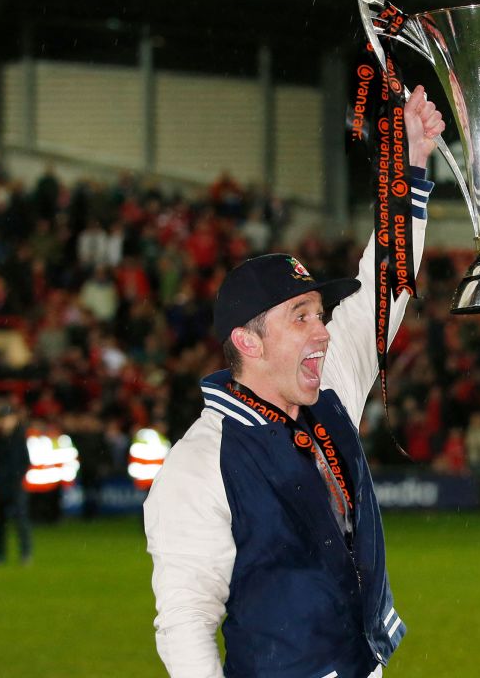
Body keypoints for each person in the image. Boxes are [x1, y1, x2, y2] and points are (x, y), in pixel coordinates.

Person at [144, 87, 444, 678]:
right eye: (300, 317)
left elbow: (383, 287)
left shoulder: (326, 391)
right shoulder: (199, 464)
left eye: (320, 314)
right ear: (247, 342)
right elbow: (184, 622)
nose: (323, 332)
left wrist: (408, 168)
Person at [0, 401, 33, 565]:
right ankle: (0, 554)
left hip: (15, 486)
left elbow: (25, 462)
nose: (6, 422)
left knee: (21, 521)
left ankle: (25, 553)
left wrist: (16, 478)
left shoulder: (19, 439)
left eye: (8, 418)